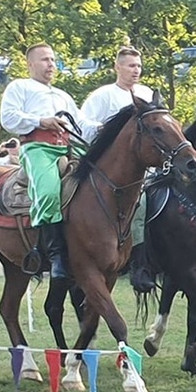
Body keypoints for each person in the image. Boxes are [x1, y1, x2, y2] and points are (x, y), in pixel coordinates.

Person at [0, 42, 100, 280]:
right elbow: (8, 117)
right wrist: (40, 121)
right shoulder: (19, 87)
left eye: (53, 60)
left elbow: (81, 125)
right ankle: (56, 256)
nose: (51, 65)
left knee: (102, 178)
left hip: (68, 147)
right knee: (47, 190)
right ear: (30, 64)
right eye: (45, 60)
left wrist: (105, 128)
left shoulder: (63, 95)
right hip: (37, 148)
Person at [81, 46, 154, 290]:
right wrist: (101, 129)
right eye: (131, 65)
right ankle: (136, 263)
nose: (136, 70)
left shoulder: (147, 94)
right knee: (139, 206)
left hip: (145, 167)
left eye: (139, 66)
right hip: (111, 170)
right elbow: (83, 125)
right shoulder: (103, 96)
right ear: (118, 67)